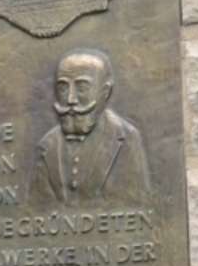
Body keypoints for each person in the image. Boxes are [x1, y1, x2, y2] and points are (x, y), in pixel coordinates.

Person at [29, 48, 151, 205]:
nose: (71, 99)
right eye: (63, 88)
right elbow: (34, 209)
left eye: (82, 88)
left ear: (105, 92)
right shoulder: (47, 145)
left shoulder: (126, 138)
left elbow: (138, 205)